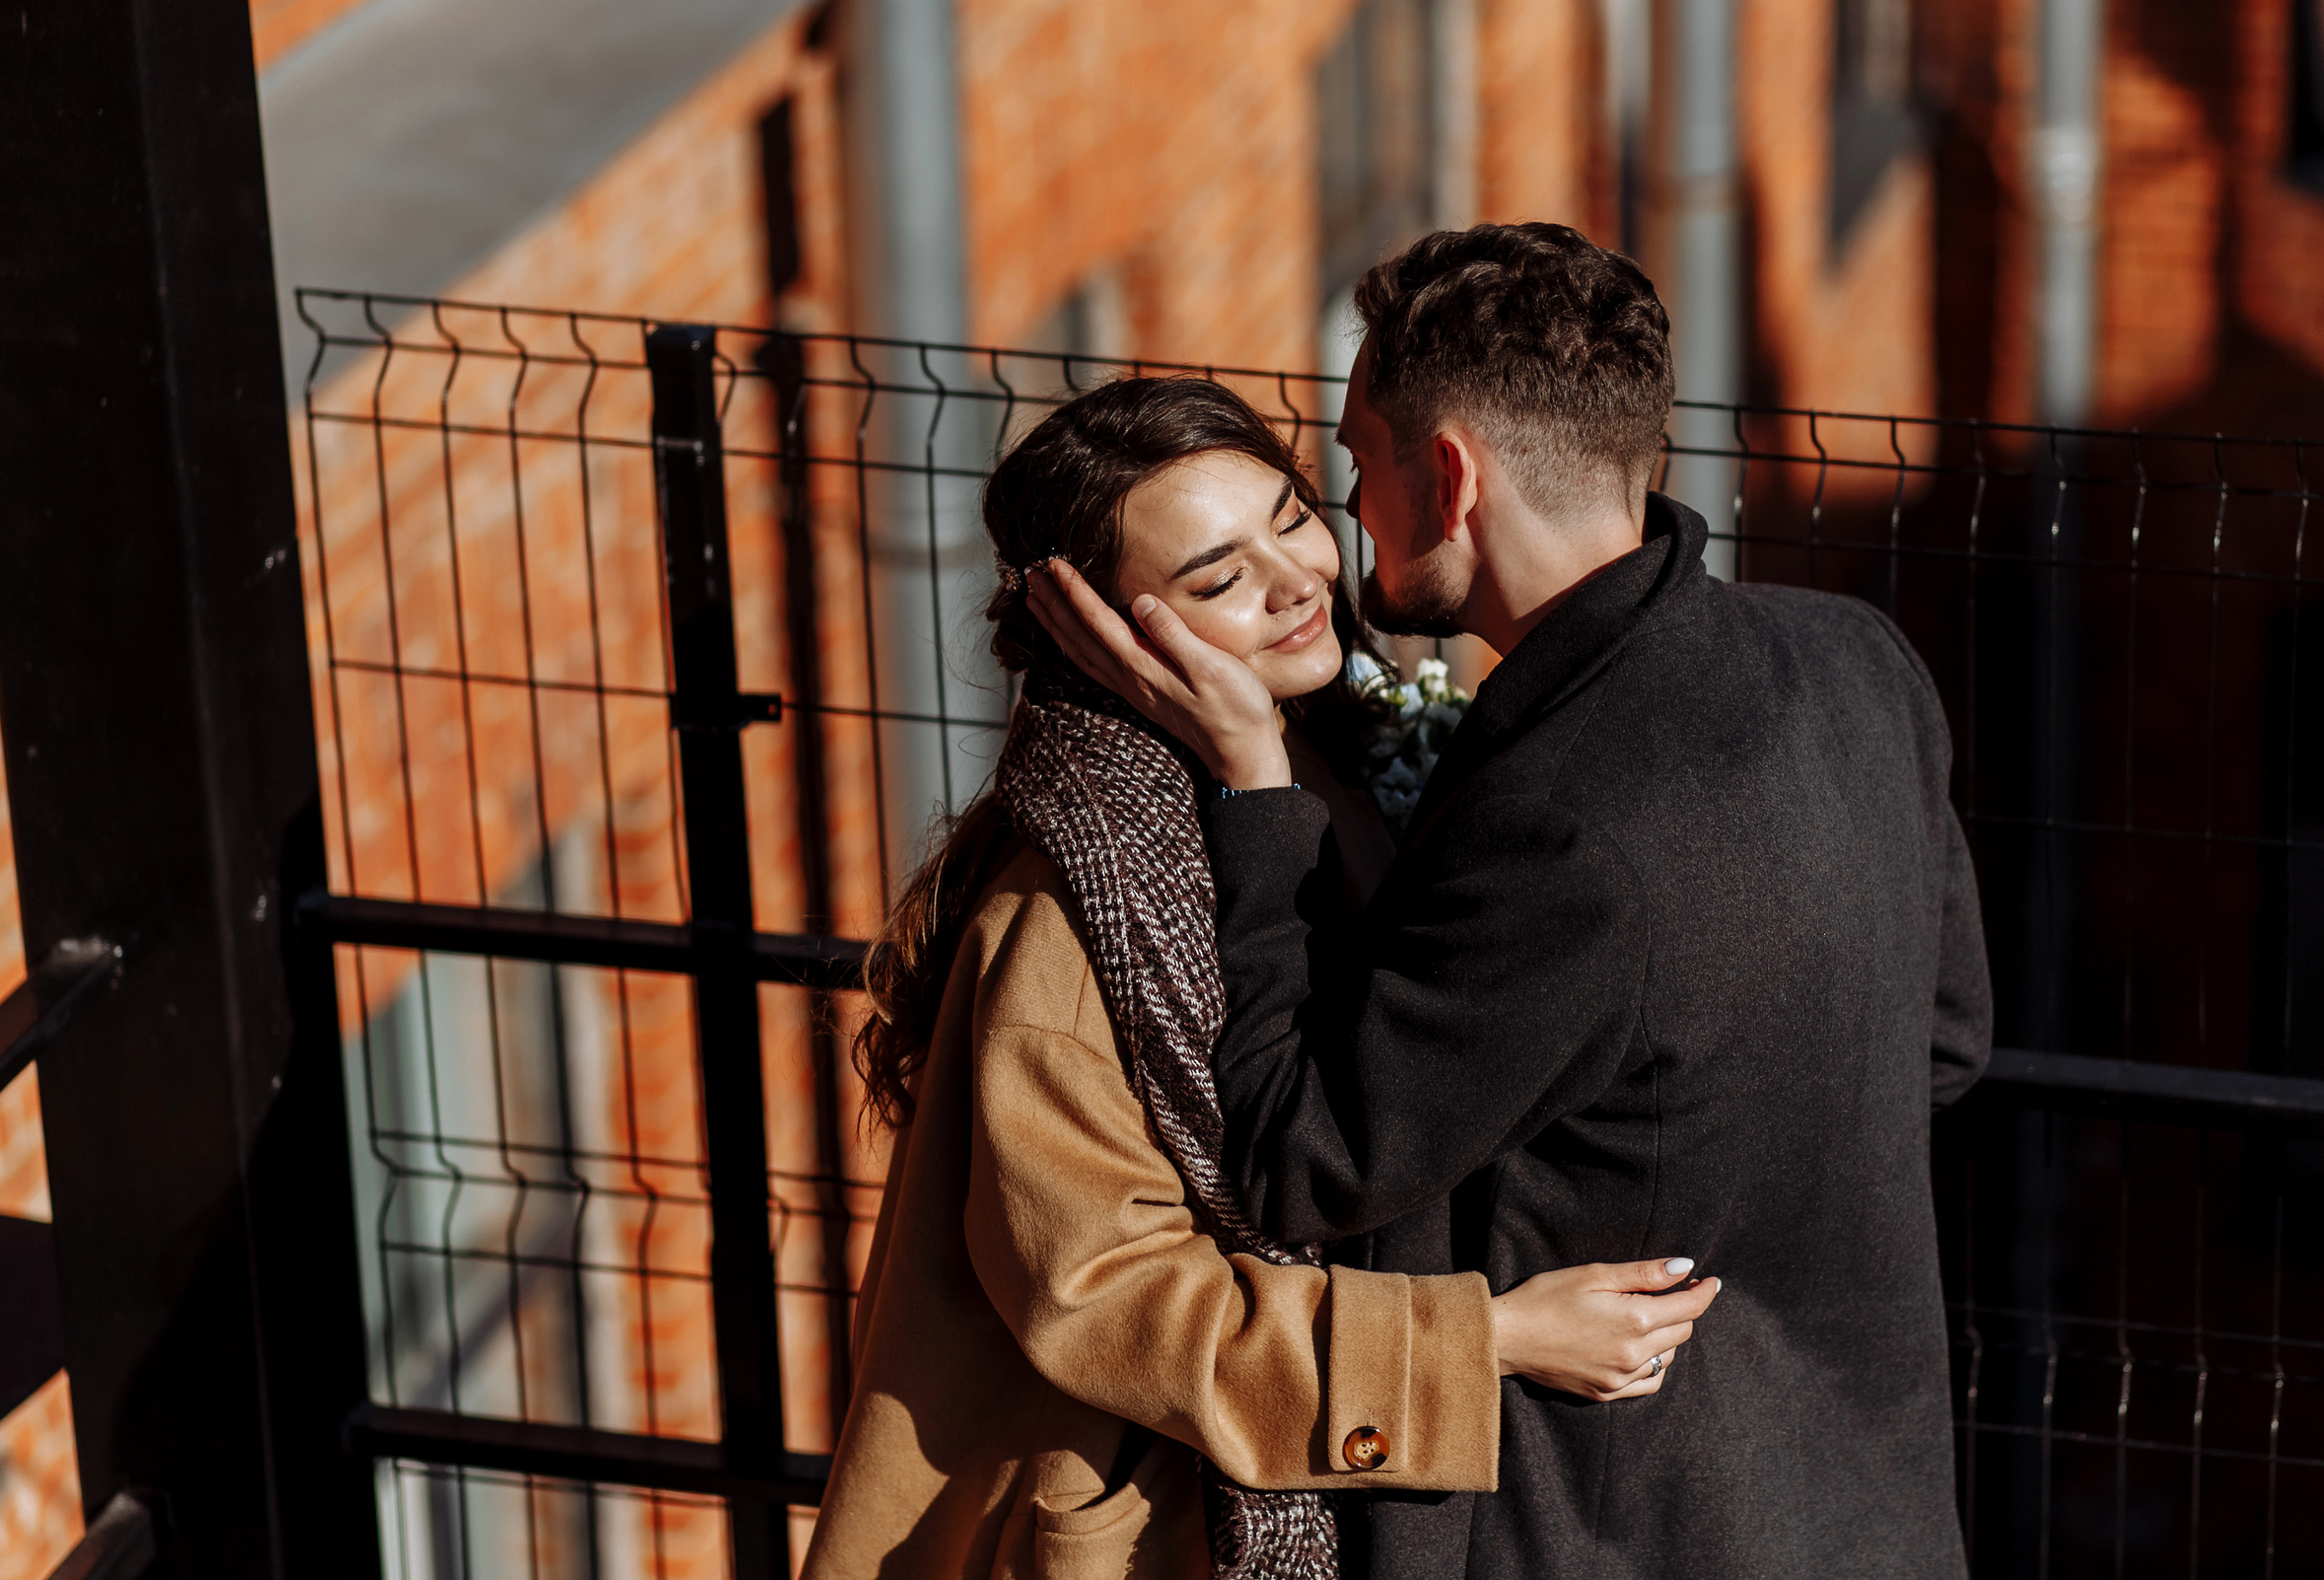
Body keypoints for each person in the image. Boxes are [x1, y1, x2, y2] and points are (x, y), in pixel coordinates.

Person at [1026, 224, 1992, 1579]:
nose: (1350, 515)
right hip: (1877, 1506)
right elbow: (1944, 1043)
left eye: (1355, 466)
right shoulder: (1858, 659)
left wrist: (1254, 786)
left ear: (1454, 475)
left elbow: (1302, 1151)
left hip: (1620, 1524)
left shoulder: (1561, 823)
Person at [804, 376, 1721, 1580]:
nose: (1296, 581)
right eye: (1216, 579)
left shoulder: (1322, 757)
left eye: (1290, 518)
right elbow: (1104, 1298)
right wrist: (1487, 1340)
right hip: (1151, 1521)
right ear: (1105, 630)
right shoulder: (1072, 920)